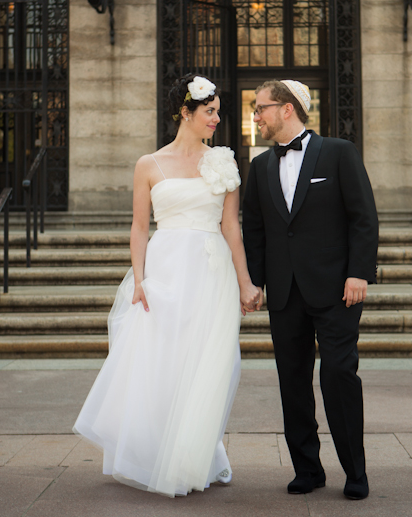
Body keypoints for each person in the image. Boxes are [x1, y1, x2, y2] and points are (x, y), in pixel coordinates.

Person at [73, 73, 260, 498]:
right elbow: (140, 227)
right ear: (185, 112)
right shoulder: (148, 164)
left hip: (213, 274)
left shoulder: (224, 161)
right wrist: (139, 279)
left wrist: (246, 282)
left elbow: (232, 227)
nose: (216, 119)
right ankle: (156, 452)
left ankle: (196, 455)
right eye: (208, 111)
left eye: (217, 112)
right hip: (165, 271)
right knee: (162, 362)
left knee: (212, 365)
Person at [242, 79, 378, 501]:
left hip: (337, 289)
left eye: (260, 108)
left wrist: (359, 273)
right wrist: (254, 281)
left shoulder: (339, 153)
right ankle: (308, 469)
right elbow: (257, 231)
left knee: (339, 375)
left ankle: (355, 471)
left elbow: (363, 216)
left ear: (286, 109)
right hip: (284, 293)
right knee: (293, 382)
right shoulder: (260, 167)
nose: (256, 116)